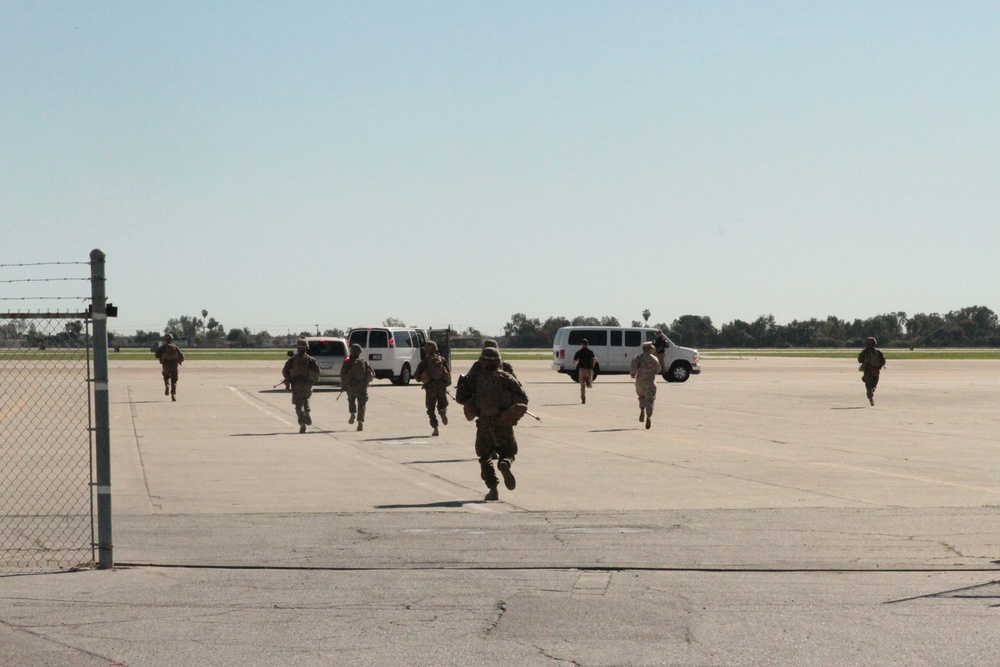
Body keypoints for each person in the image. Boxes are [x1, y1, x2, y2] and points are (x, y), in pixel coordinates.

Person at [456, 347, 529, 501]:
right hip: (503, 423)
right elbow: (523, 399)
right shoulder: (507, 377)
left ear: (482, 361)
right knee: (509, 452)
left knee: (484, 457)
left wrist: (462, 383)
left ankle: (493, 488)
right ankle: (505, 463)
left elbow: (461, 398)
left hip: (484, 424)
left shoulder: (474, 378)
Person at [282, 339, 320, 433]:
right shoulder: (311, 360)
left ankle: (302, 423)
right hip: (307, 384)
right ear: (307, 348)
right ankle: (307, 411)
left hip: (296, 384)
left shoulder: (292, 360)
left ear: (297, 347)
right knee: (306, 398)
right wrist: (312, 381)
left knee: (298, 404)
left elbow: (285, 371)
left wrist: (288, 381)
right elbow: (317, 371)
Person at [414, 340, 451, 436]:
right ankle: (442, 411)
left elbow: (416, 376)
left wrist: (422, 378)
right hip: (442, 387)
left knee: (430, 409)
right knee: (442, 404)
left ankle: (435, 428)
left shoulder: (424, 362)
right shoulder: (442, 359)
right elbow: (448, 371)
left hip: (430, 388)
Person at [340, 343, 375, 431]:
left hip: (351, 386)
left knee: (351, 400)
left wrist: (344, 384)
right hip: (362, 386)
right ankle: (360, 421)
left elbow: (342, 374)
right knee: (362, 404)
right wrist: (366, 382)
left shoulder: (347, 361)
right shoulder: (364, 362)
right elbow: (371, 374)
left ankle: (352, 413)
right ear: (360, 352)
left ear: (351, 351)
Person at [630, 341, 661, 429]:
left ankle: (642, 410)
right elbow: (658, 370)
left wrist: (633, 374)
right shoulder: (654, 359)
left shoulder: (638, 358)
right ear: (649, 349)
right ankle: (649, 416)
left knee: (641, 397)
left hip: (640, 382)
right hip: (650, 383)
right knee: (650, 400)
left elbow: (633, 367)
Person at [154, 333, 184, 401]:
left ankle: (167, 385)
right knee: (174, 380)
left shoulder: (162, 347)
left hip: (166, 365)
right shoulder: (175, 346)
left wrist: (161, 357)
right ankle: (173, 394)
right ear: (171, 339)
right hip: (174, 365)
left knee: (166, 376)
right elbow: (181, 355)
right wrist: (180, 361)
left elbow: (156, 355)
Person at [857, 337, 887, 406]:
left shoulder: (864, 352)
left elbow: (859, 360)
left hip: (868, 371)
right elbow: (883, 361)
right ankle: (871, 393)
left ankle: (870, 394)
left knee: (869, 385)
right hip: (875, 370)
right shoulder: (878, 352)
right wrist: (879, 366)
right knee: (874, 384)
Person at [572, 339, 597, 404]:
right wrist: (593, 365)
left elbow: (574, 361)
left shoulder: (578, 352)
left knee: (582, 385)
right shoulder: (590, 352)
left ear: (582, 344)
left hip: (582, 369)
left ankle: (583, 398)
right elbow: (594, 359)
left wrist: (577, 362)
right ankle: (588, 380)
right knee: (590, 384)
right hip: (588, 369)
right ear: (587, 344)